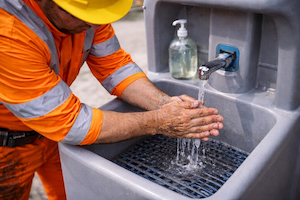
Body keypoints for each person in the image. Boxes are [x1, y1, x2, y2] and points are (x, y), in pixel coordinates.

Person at [0, 0, 224, 199]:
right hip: (8, 146)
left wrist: (166, 105)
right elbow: (72, 123)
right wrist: (160, 122)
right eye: (83, 18)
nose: (91, 25)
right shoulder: (8, 32)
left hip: (52, 137)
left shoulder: (90, 14)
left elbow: (116, 67)